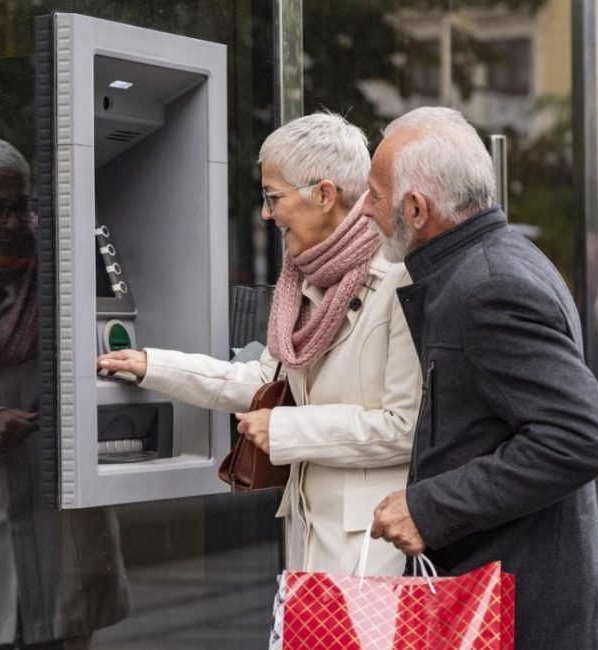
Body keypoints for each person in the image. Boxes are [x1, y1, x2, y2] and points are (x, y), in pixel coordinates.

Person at [98, 112, 422, 575]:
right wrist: (154, 366)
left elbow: (403, 427)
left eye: (273, 197)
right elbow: (264, 378)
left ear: (324, 195)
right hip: (313, 533)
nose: (266, 213)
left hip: (372, 546)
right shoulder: (307, 281)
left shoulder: (396, 281)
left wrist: (287, 430)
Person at [365, 107, 598, 649]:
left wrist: (429, 508)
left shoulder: (486, 286)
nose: (365, 210)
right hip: (508, 600)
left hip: (518, 614)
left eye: (374, 194)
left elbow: (581, 437)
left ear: (416, 208)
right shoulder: (493, 264)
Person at [0, 135, 130, 648]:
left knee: (60, 631)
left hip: (57, 520)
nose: (14, 225)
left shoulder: (63, 270)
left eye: (22, 206)